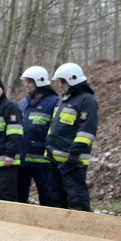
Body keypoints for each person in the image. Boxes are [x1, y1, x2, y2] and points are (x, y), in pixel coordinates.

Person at [46, 62, 98, 212]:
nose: (60, 85)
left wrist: (73, 155)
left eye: (62, 81)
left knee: (76, 198)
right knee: (57, 199)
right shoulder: (64, 99)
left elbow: (86, 131)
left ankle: (83, 230)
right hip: (55, 159)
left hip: (72, 161)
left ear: (72, 79)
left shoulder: (87, 100)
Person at [16, 66, 56, 205]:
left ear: (40, 82)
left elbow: (57, 131)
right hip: (22, 159)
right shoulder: (22, 103)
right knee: (19, 197)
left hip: (43, 162)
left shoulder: (54, 102)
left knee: (47, 197)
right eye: (25, 81)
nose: (26, 84)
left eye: (30, 81)